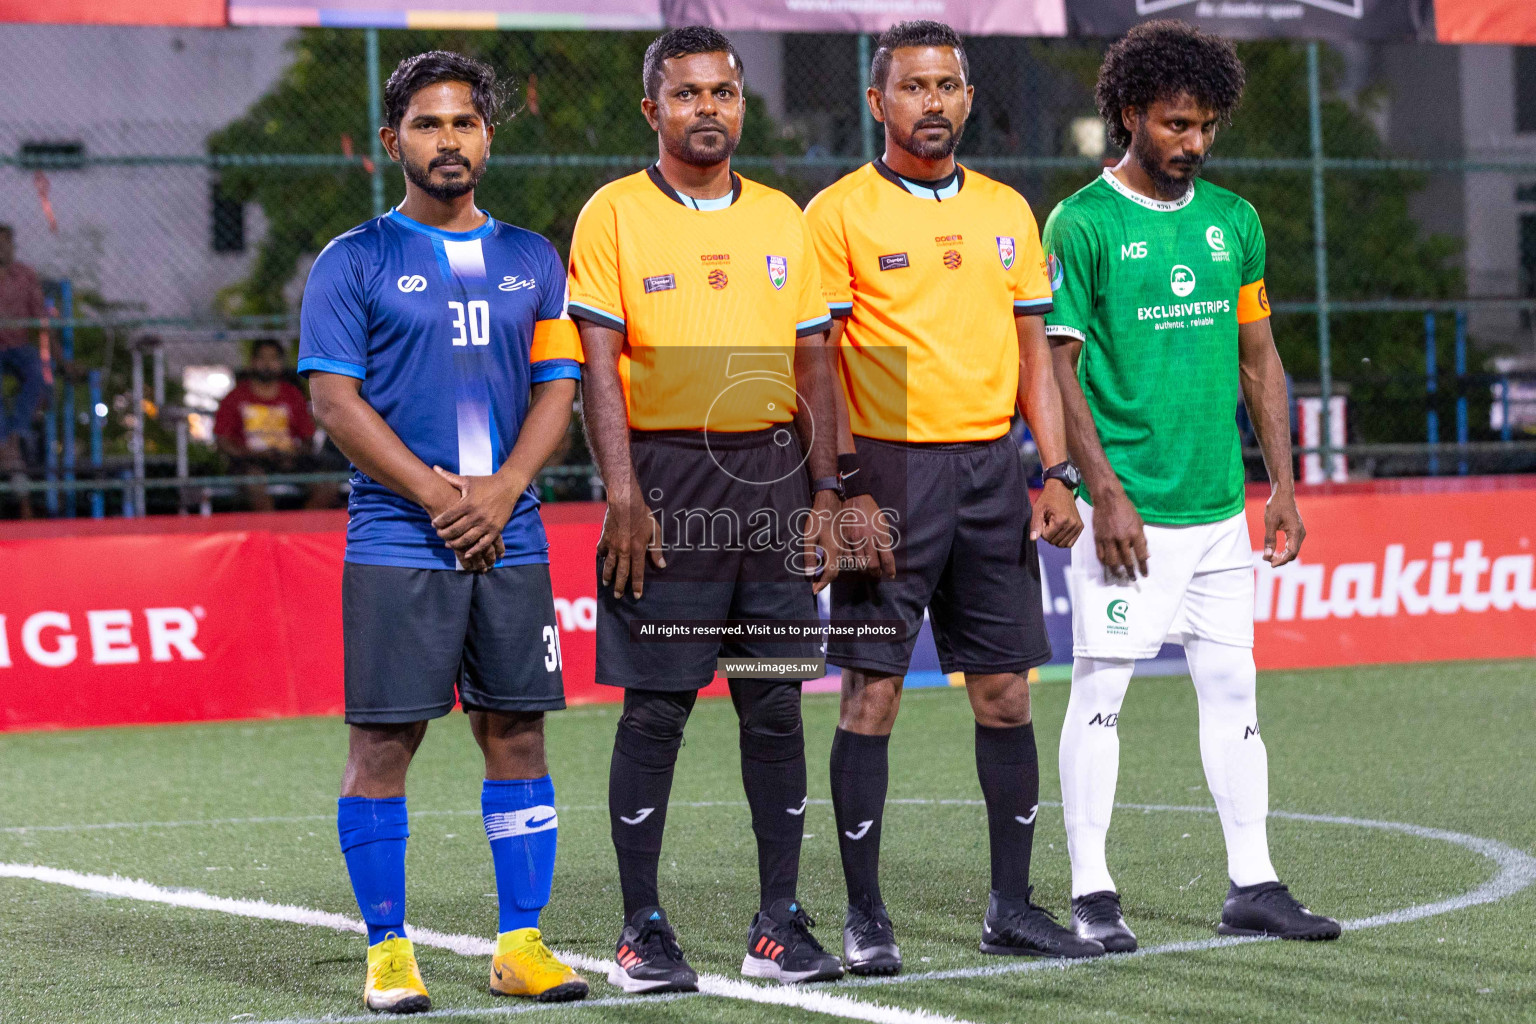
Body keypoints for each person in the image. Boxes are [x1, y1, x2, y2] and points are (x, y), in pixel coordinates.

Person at [804, 20, 1102, 973]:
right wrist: (841, 486)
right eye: (913, 86)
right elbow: (817, 362)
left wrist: (1053, 471)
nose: (932, 101)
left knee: (1008, 693)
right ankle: (864, 917)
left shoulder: (1009, 210)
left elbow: (1033, 354)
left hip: (989, 470)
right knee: (872, 696)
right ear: (877, 101)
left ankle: (1011, 906)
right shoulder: (838, 213)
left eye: (948, 85)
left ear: (970, 98)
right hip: (885, 472)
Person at [299, 50, 589, 1013]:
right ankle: (388, 952)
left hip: (513, 533)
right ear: (394, 143)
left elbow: (560, 389)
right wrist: (440, 496)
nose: (448, 140)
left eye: (464, 122)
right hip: (398, 537)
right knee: (384, 744)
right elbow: (336, 404)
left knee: (517, 735)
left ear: (488, 136)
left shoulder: (534, 258)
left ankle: (521, 945)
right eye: (427, 124)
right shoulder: (354, 259)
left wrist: (502, 491)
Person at [1043, 20, 1341, 952]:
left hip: (1219, 510)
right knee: (1101, 691)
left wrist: (1281, 486)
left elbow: (1260, 360)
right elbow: (1061, 368)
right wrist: (1102, 491)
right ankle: (1093, 893)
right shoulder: (1082, 224)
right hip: (1126, 511)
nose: (1195, 144)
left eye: (1206, 126)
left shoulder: (1234, 222)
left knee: (1233, 693)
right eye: (1177, 125)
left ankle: (1253, 881)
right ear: (1130, 114)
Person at [568, 26, 845, 993]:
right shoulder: (612, 214)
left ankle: (779, 924)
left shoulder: (783, 218)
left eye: (723, 92)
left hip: (771, 481)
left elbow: (816, 361)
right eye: (687, 95)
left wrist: (824, 491)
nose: (709, 109)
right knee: (659, 706)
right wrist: (624, 492)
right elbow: (596, 363)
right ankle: (642, 929)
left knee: (773, 703)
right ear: (654, 111)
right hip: (667, 482)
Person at [214, 337, 335, 511]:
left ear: (281, 363)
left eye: (273, 359)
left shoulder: (292, 395)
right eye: (262, 359)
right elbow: (223, 440)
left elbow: (308, 438)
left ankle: (300, 530)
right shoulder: (235, 397)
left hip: (290, 460)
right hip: (250, 462)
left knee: (327, 484)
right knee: (254, 483)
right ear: (252, 362)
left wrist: (293, 454)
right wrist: (251, 454)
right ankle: (270, 532)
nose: (267, 364)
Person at [0, 224, 50, 479]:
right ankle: (4, 442)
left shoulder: (26, 275)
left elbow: (41, 316)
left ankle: (14, 434)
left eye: (5, 242)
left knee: (36, 373)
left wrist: (58, 356)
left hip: (19, 347)